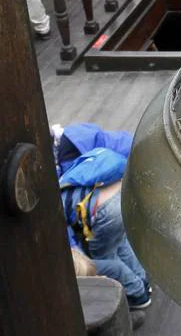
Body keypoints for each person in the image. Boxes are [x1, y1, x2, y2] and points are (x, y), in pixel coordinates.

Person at [55, 124, 153, 317]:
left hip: (106, 210)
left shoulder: (54, 207)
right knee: (120, 243)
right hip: (123, 193)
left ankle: (137, 295)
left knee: (103, 258)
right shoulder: (68, 179)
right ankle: (143, 282)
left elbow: (72, 246)